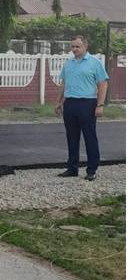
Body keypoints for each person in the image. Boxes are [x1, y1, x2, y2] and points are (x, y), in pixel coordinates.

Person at [54, 35, 109, 181]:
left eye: (77, 46)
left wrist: (100, 105)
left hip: (87, 104)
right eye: (72, 46)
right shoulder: (69, 63)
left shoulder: (94, 63)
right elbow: (63, 83)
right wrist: (58, 102)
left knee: (89, 137)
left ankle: (92, 170)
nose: (74, 49)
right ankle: (72, 168)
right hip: (70, 104)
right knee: (71, 137)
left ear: (85, 47)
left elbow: (103, 84)